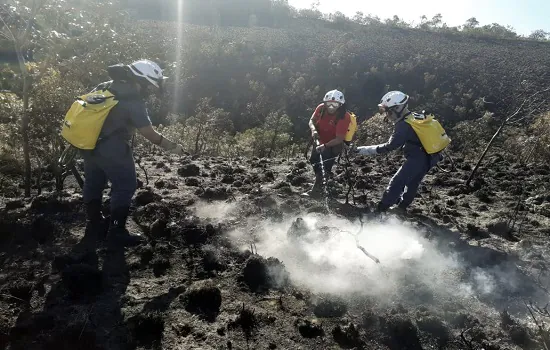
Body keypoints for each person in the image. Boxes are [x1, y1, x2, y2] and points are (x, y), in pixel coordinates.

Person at [82, 59, 184, 246]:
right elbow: (149, 134)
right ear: (142, 81)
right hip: (113, 147)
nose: (150, 90)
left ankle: (94, 223)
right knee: (125, 185)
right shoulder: (132, 100)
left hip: (88, 142)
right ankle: (116, 231)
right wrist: (172, 146)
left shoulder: (105, 86)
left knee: (93, 182)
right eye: (150, 85)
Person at [355, 91, 444, 213]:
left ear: (398, 108)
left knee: (397, 181)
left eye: (389, 111)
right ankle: (401, 207)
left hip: (419, 158)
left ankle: (382, 209)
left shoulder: (403, 124)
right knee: (413, 182)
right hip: (432, 156)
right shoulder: (414, 116)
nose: (387, 115)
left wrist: (363, 150)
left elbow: (390, 146)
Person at [302, 89, 351, 198]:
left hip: (333, 144)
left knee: (324, 165)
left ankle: (316, 191)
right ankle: (321, 182)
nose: (332, 107)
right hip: (319, 139)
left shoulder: (344, 116)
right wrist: (313, 130)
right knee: (314, 160)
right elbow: (312, 121)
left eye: (335, 104)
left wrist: (325, 146)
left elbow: (339, 139)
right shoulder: (321, 109)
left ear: (341, 105)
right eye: (329, 103)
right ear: (325, 103)